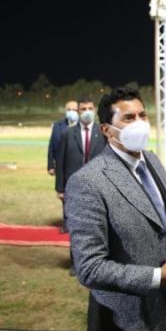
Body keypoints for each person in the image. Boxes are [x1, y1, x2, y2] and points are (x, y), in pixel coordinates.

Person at [66, 87, 166, 331]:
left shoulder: (152, 160)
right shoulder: (88, 182)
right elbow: (89, 267)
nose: (140, 123)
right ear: (107, 130)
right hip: (125, 320)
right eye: (128, 118)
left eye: (142, 115)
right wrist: (158, 276)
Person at [55, 97, 106, 234]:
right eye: (83, 109)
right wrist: (60, 188)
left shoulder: (103, 133)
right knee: (74, 224)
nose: (87, 111)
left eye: (90, 108)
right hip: (73, 182)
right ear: (78, 111)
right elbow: (60, 162)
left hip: (97, 182)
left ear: (94, 110)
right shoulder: (67, 134)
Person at [47, 100, 78, 176]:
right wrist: (51, 166)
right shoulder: (57, 125)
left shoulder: (84, 126)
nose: (71, 112)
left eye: (74, 110)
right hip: (61, 169)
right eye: (69, 110)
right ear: (65, 111)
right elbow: (52, 146)